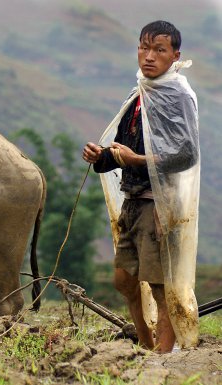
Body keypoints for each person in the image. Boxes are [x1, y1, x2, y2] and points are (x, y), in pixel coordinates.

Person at [82, 20, 200, 353]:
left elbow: (187, 153)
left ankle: (163, 357)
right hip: (132, 201)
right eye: (143, 48)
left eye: (159, 50)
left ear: (175, 55)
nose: (149, 57)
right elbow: (122, 151)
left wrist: (136, 160)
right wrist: (101, 157)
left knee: (161, 286)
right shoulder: (139, 95)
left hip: (158, 204)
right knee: (124, 281)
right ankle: (146, 346)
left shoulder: (177, 94)